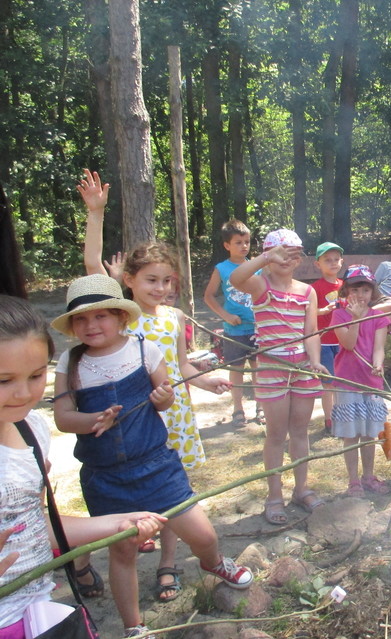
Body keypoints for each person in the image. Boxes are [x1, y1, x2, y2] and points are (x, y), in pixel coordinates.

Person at [49, 277, 252, 637]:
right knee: (123, 551)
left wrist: (162, 399)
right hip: (105, 476)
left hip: (157, 464)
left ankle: (213, 563)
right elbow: (63, 418)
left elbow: (167, 394)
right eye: (81, 320)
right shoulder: (71, 361)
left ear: (121, 318)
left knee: (203, 535)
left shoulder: (144, 349)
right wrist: (92, 420)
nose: (91, 326)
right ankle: (133, 626)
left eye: (101, 317)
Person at [78, 170, 232, 601]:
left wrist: (208, 382)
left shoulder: (175, 318)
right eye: (151, 280)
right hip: (138, 419)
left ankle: (168, 563)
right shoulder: (120, 314)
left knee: (174, 493)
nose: (161, 289)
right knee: (141, 489)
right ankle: (129, 538)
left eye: (167, 281)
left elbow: (182, 367)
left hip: (176, 414)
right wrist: (96, 214)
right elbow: (92, 268)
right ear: (128, 280)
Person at [231, 229, 326, 525]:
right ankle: (274, 495)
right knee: (275, 434)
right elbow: (235, 279)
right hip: (271, 369)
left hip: (301, 369)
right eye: (280, 253)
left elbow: (310, 331)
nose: (286, 259)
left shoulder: (306, 291)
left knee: (300, 431)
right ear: (269, 256)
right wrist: (264, 258)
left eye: (292, 254)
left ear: (299, 259)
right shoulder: (260, 285)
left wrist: (315, 362)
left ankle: (301, 489)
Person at [329, 265, 391, 497]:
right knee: (351, 435)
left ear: (372, 293)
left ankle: (368, 475)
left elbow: (379, 348)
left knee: (368, 433)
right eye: (355, 289)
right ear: (346, 291)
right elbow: (347, 344)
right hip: (347, 381)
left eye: (366, 290)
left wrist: (378, 364)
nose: (360, 295)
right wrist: (355, 319)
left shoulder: (378, 317)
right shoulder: (338, 315)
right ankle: (353, 481)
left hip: (370, 382)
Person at [203, 219, 262, 425]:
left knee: (257, 369)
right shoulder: (222, 268)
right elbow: (209, 296)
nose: (244, 246)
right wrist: (226, 316)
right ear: (227, 245)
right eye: (238, 242)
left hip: (256, 329)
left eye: (246, 241)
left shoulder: (256, 267)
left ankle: (260, 407)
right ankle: (238, 409)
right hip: (234, 330)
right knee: (236, 370)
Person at [311, 242, 344, 436]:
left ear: (342, 262)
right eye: (327, 260)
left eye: (336, 259)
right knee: (328, 384)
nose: (332, 263)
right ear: (318, 264)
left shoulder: (345, 286)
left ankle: (342, 417)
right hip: (324, 342)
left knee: (342, 381)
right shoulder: (314, 288)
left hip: (342, 341)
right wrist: (323, 311)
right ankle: (329, 419)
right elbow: (308, 312)